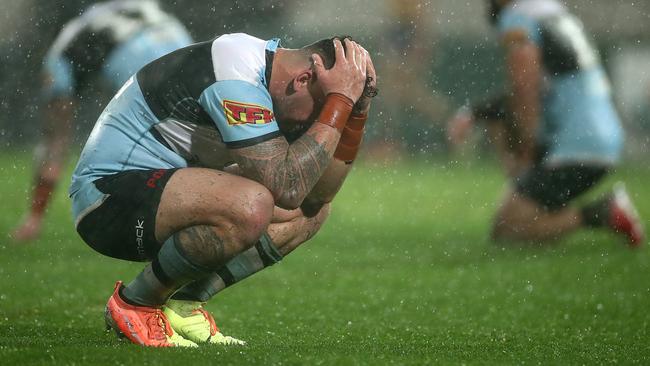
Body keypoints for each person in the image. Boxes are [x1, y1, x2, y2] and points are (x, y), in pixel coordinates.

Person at [69, 33, 376, 347]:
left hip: (164, 195)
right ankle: (136, 303)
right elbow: (288, 187)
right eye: (321, 108)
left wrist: (356, 112)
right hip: (106, 202)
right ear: (304, 79)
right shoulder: (237, 72)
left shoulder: (280, 83)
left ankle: (183, 306)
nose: (318, 121)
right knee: (252, 204)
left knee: (311, 213)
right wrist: (339, 101)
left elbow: (318, 195)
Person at [446, 0, 645, 245]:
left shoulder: (518, 16)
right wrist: (475, 112)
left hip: (577, 146)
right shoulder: (550, 10)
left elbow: (524, 88)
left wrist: (527, 151)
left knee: (508, 229)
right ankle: (549, 214)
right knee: (519, 220)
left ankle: (603, 212)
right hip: (598, 138)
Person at [12, 0, 193, 242]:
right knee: (194, 143)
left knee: (58, 139)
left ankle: (34, 222)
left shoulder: (61, 55)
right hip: (183, 46)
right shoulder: (120, 12)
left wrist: (35, 215)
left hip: (144, 63)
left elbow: (55, 141)